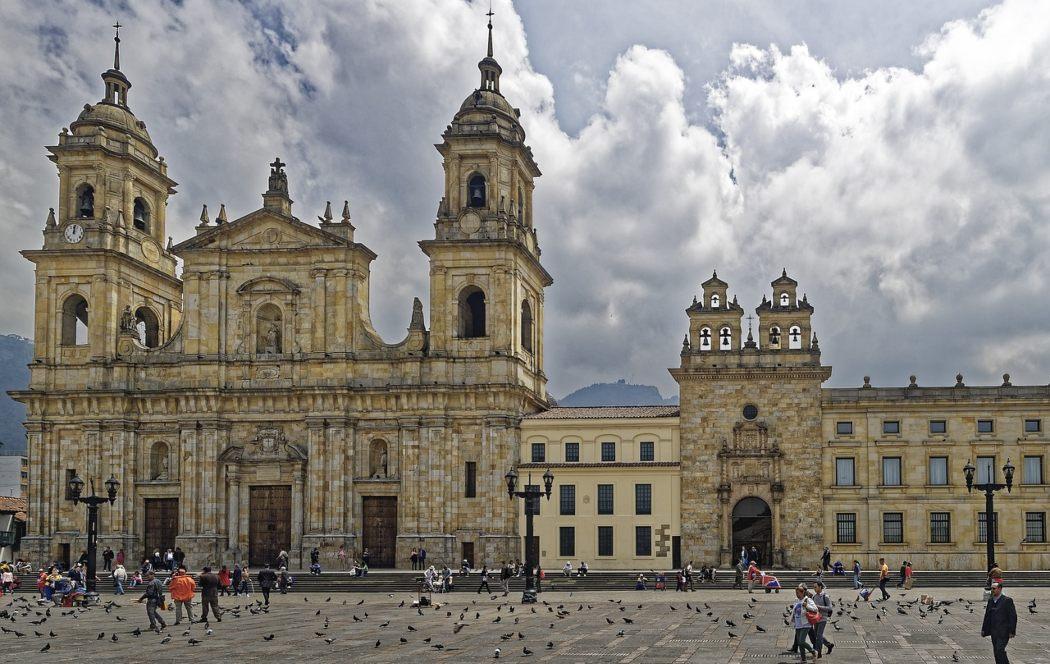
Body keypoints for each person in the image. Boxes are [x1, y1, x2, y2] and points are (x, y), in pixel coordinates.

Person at [981, 581, 1017, 664]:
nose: (992, 590)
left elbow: (1013, 616)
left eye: (994, 588)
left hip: (1004, 631)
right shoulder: (991, 601)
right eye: (991, 589)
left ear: (1000, 589)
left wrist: (1012, 631)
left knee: (999, 649)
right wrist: (984, 629)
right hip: (994, 631)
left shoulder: (1007, 600)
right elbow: (987, 616)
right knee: (996, 651)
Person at [783, 584, 818, 662]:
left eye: (798, 593)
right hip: (798, 624)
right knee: (799, 643)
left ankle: (813, 651)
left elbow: (815, 609)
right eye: (796, 593)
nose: (797, 595)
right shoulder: (797, 600)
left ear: (802, 593)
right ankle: (803, 659)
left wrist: (807, 606)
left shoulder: (808, 600)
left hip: (806, 624)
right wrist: (791, 620)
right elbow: (795, 612)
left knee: (801, 641)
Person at [811, 580, 836, 657]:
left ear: (820, 587)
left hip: (823, 618)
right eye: (813, 587)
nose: (814, 588)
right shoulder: (814, 596)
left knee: (818, 635)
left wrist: (818, 607)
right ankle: (828, 645)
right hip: (816, 618)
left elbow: (830, 608)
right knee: (817, 634)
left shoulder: (826, 596)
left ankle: (819, 652)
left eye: (816, 587)